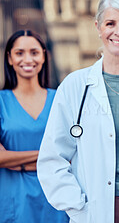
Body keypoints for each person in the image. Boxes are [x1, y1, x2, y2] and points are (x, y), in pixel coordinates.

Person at [37, 0, 119, 223]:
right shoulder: (74, 86)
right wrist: (78, 207)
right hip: (93, 210)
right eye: (110, 23)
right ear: (98, 26)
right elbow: (52, 158)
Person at [0, 30, 68, 222]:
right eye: (19, 53)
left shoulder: (61, 99)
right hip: (13, 201)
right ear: (10, 58)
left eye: (34, 52)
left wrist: (18, 162)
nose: (27, 59)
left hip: (56, 198)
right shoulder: (1, 102)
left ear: (44, 56)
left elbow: (75, 153)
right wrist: (49, 156)